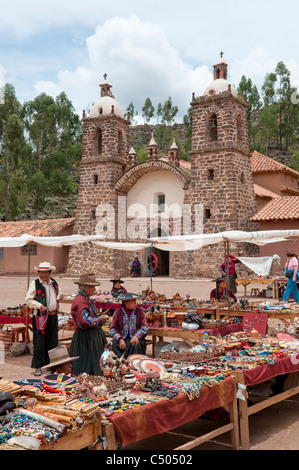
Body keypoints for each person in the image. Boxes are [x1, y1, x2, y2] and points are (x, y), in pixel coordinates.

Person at [25, 261, 64, 377]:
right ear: (39, 273)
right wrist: (40, 306)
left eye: (46, 273)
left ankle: (51, 365)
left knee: (52, 340)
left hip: (52, 316)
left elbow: (59, 292)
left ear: (49, 273)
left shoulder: (54, 283)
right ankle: (38, 366)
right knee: (39, 341)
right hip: (40, 317)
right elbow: (28, 299)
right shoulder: (35, 283)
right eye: (41, 273)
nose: (43, 275)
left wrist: (60, 295)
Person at [69, 273, 109, 376]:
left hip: (91, 337)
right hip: (85, 339)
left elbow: (90, 314)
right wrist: (99, 319)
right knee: (85, 367)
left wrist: (99, 316)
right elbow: (84, 320)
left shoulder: (86, 299)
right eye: (92, 287)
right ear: (86, 288)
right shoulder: (80, 301)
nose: (94, 289)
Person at [110, 293, 149, 359]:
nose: (135, 303)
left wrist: (137, 335)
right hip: (122, 338)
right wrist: (120, 339)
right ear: (125, 302)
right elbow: (112, 330)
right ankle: (121, 363)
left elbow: (144, 327)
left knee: (134, 344)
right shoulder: (118, 312)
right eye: (133, 301)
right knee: (113, 343)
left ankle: (132, 364)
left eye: (135, 301)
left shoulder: (140, 311)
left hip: (135, 338)